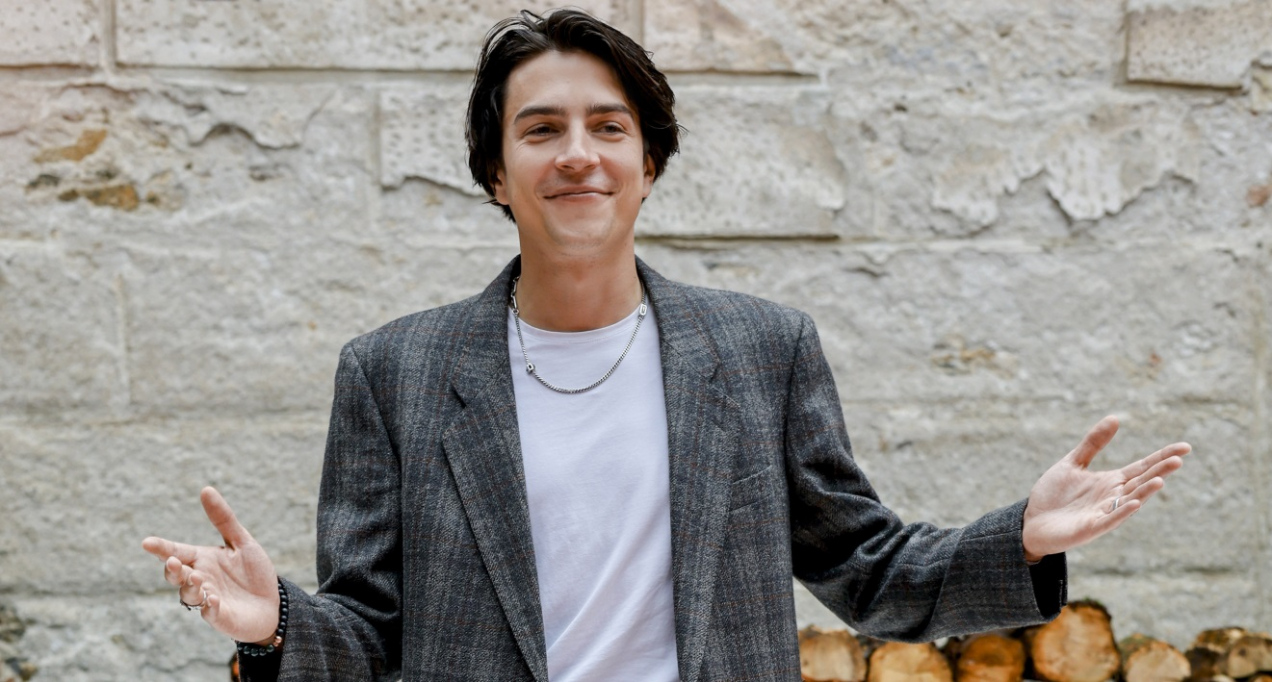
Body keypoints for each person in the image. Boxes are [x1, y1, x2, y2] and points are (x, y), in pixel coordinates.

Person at [142, 9, 1191, 681]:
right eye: (540, 129)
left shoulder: (761, 350)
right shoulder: (394, 373)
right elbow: (371, 635)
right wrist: (277, 625)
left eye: (608, 128)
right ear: (497, 173)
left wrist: (1022, 540)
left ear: (647, 165)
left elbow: (867, 568)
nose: (578, 154)